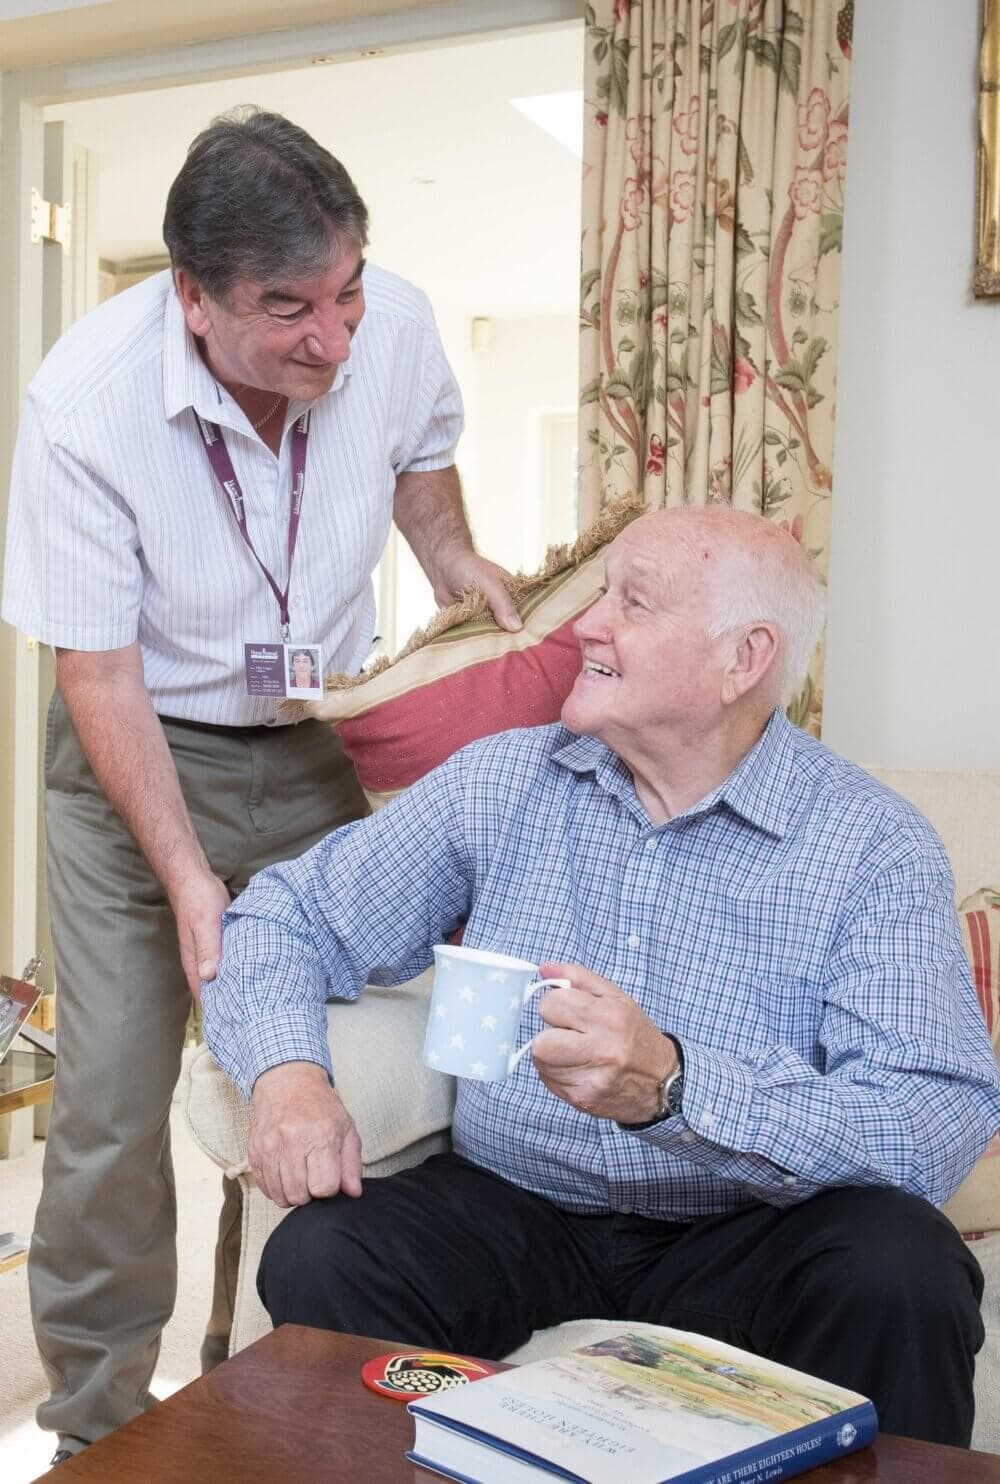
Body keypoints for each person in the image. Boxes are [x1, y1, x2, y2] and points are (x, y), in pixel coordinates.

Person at [204, 505, 1000, 1449]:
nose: (586, 624)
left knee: (903, 1271)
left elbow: (930, 1118)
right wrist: (288, 1073)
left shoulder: (870, 845)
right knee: (326, 1255)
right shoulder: (504, 782)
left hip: (753, 1225)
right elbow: (283, 917)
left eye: (634, 602)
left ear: (741, 659)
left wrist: (677, 1088)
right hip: (518, 1204)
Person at [0, 107, 518, 1465]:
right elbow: (98, 678)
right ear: (193, 298)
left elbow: (420, 469)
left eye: (346, 292)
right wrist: (184, 880)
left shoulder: (387, 326)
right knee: (111, 1104)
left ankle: (306, 1391)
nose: (333, 338)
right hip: (136, 757)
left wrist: (455, 562)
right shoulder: (86, 407)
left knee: (347, 1060)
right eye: (290, 308)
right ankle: (97, 1427)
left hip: (313, 741)